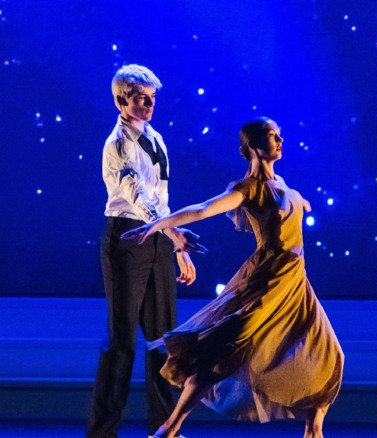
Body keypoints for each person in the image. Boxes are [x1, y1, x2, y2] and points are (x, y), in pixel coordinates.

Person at [121, 117, 344, 438]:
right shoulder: (248, 189)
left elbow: (290, 204)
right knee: (220, 354)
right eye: (272, 136)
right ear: (253, 146)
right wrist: (157, 225)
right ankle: (169, 429)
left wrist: (301, 203)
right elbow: (203, 209)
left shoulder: (283, 184)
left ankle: (314, 430)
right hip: (266, 284)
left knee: (328, 353)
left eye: (280, 135)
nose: (280, 140)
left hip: (295, 285)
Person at [88, 64, 206, 438]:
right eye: (141, 99)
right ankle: (103, 431)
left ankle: (166, 428)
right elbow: (137, 199)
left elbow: (161, 200)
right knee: (122, 340)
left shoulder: (155, 138)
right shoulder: (118, 144)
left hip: (157, 240)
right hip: (127, 238)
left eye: (152, 98)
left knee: (165, 339)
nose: (149, 104)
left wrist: (177, 248)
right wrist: (173, 236)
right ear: (122, 101)